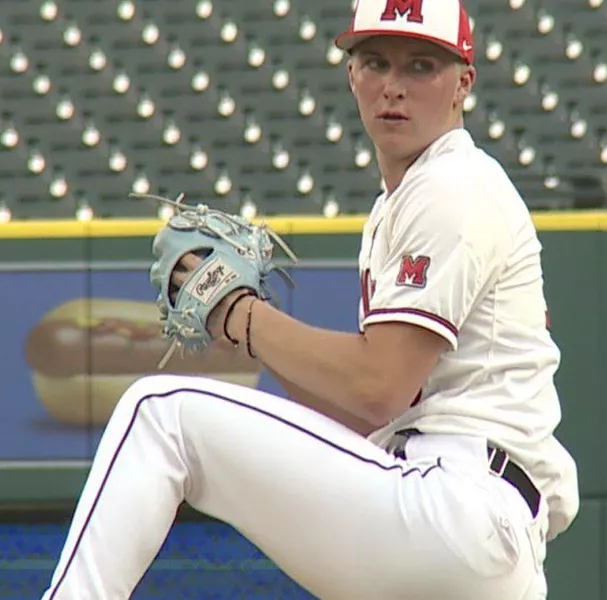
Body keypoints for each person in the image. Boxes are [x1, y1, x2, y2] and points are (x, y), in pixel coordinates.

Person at [40, 0, 579, 598]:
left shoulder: (451, 186)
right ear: (351, 74)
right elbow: (358, 415)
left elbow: (378, 386)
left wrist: (239, 311)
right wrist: (246, 323)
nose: (393, 87)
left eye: (421, 66)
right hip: (467, 537)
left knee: (160, 412)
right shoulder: (405, 201)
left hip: (455, 504)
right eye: (375, 62)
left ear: (462, 83)